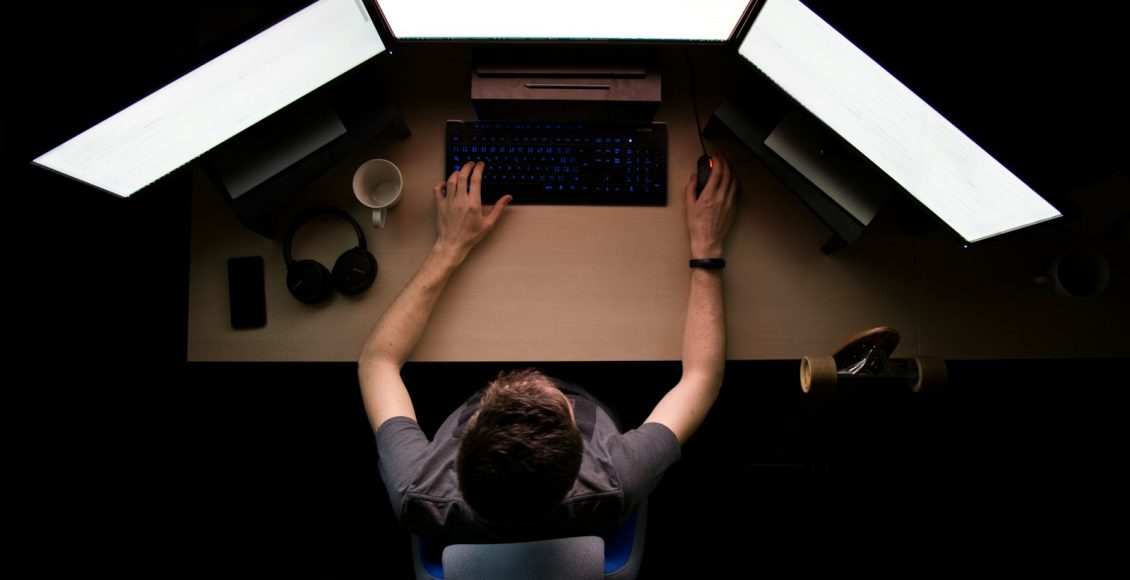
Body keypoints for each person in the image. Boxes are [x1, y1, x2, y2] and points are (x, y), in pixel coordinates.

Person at [358, 155, 738, 543]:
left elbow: (377, 361)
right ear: (579, 454)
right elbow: (702, 377)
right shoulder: (617, 478)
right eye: (560, 405)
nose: (539, 376)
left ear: (466, 434)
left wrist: (448, 246)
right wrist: (707, 245)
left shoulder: (415, 490)